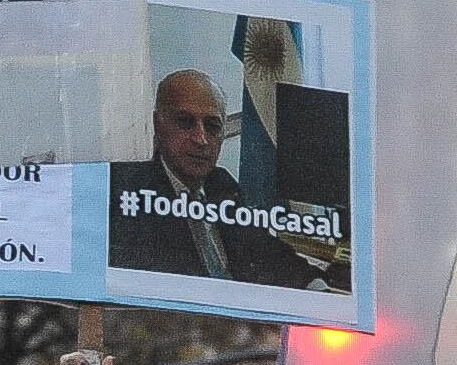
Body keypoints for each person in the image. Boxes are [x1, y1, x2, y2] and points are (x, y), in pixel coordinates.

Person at [106, 70, 322, 296]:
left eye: (212, 126)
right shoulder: (126, 192)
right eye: (185, 122)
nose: (201, 139)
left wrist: (318, 288)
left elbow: (267, 253)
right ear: (158, 125)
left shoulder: (221, 184)